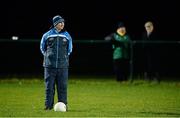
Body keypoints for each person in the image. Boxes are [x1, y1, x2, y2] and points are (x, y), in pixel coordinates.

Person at [40, 15, 73, 110]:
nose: (62, 24)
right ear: (55, 24)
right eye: (60, 22)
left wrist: (64, 58)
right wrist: (48, 57)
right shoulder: (47, 35)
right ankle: (48, 107)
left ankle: (63, 106)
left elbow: (70, 49)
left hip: (63, 66)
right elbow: (42, 48)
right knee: (49, 88)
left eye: (63, 22)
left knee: (62, 87)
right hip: (49, 66)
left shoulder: (67, 35)